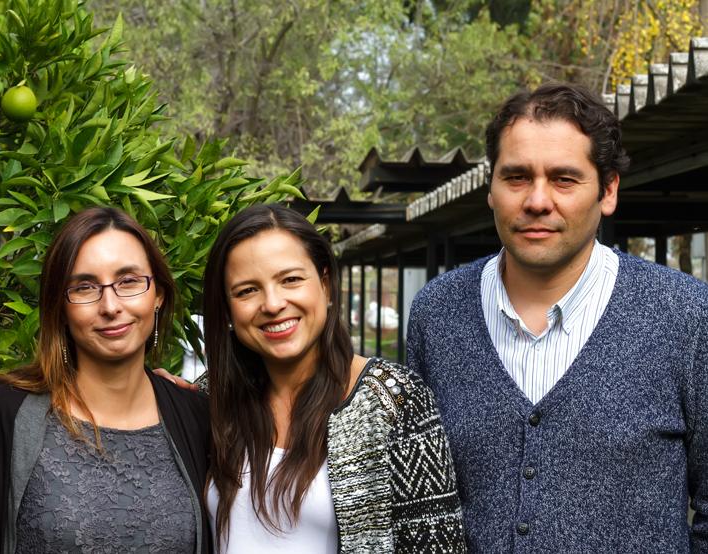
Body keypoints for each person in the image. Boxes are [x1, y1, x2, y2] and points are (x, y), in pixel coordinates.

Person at [407, 82, 708, 552]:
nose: (537, 201)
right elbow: (417, 505)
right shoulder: (437, 314)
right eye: (517, 177)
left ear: (608, 191)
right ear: (492, 189)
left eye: (564, 179)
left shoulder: (686, 316)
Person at [201, 204, 465, 553]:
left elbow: (437, 546)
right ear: (228, 309)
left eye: (290, 279)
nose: (273, 303)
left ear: (325, 286)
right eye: (247, 290)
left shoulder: (394, 400)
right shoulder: (209, 400)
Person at [0, 207, 211, 554]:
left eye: (129, 281)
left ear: (158, 295)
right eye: (85, 286)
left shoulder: (197, 418)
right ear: (60, 306)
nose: (110, 305)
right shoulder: (1, 413)